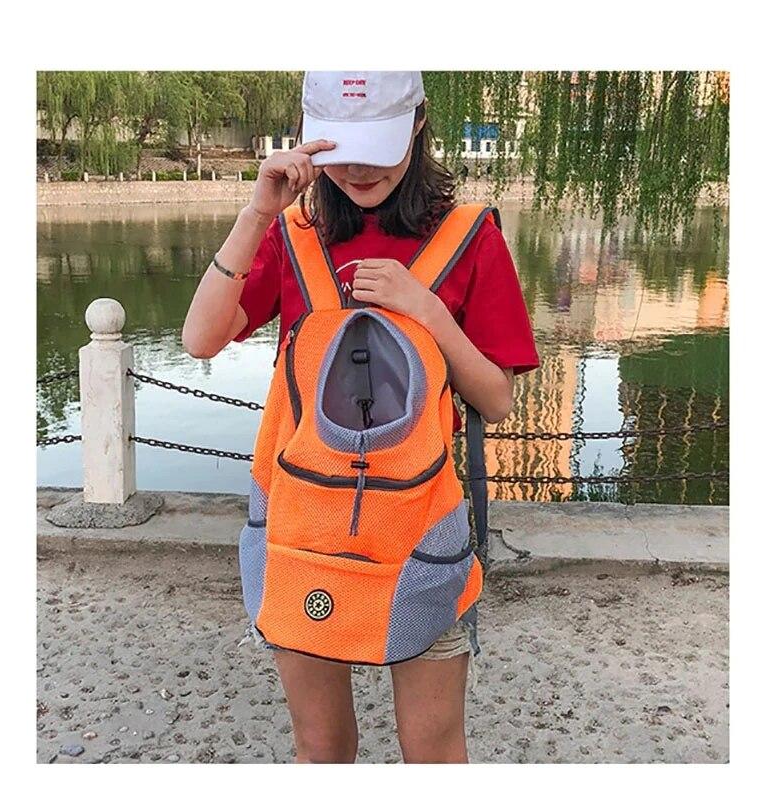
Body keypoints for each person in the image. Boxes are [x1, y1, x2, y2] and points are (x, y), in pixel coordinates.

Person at [182, 71, 539, 764]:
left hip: (420, 537)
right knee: (321, 746)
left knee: (433, 749)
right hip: (302, 531)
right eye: (340, 150)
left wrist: (425, 310)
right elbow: (200, 339)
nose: (357, 170)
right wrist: (256, 213)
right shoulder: (295, 234)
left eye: (376, 148)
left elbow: (496, 400)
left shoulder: (469, 236)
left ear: (418, 123)